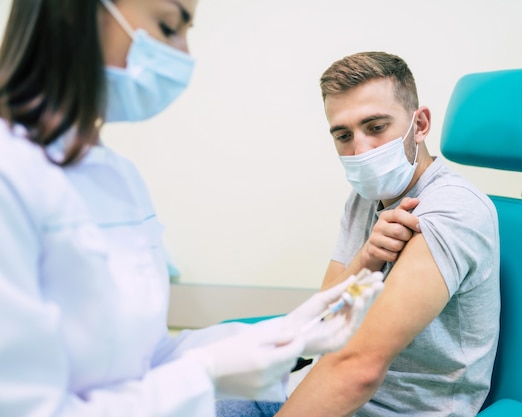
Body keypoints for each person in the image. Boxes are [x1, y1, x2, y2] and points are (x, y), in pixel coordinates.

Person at [0, 2, 384, 416]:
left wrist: (288, 332)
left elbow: (146, 359)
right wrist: (205, 374)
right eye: (168, 26)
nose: (182, 56)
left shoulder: (116, 176)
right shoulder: (12, 175)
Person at [219, 52, 501, 417]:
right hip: (324, 390)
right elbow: (320, 325)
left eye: (376, 126)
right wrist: (367, 258)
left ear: (420, 125)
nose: (360, 149)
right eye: (343, 135)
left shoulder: (450, 210)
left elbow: (360, 369)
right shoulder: (365, 198)